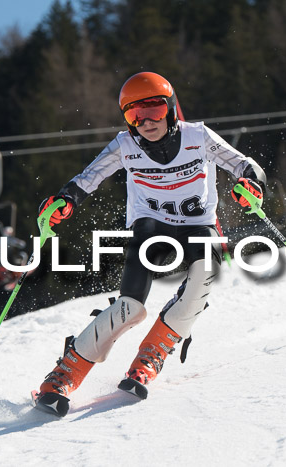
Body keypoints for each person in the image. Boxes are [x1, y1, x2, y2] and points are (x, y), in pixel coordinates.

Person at [34, 71, 266, 415]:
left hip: (198, 226)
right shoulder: (124, 146)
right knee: (130, 307)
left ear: (171, 108)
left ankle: (150, 357)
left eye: (154, 109)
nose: (146, 121)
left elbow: (246, 166)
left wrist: (252, 186)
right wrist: (64, 202)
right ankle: (65, 373)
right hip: (150, 228)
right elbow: (87, 179)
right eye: (134, 114)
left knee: (205, 277)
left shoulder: (198, 136)